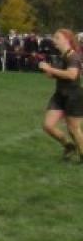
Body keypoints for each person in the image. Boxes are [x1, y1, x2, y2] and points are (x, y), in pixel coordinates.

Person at [38, 29, 83, 161]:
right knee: (48, 126)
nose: (54, 40)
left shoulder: (73, 56)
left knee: (73, 129)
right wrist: (47, 70)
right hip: (59, 95)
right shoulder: (61, 55)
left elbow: (72, 74)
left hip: (74, 97)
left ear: (67, 39)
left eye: (57, 38)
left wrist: (50, 69)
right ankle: (69, 146)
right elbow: (55, 75)